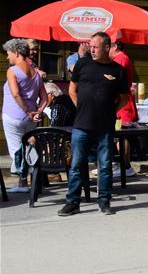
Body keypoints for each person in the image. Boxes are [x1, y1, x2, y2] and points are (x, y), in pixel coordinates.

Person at [58, 31, 129, 216]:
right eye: (91, 46)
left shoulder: (118, 71)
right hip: (81, 124)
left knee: (105, 166)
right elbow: (73, 90)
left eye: (96, 47)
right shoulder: (83, 64)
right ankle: (73, 202)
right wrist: (81, 107)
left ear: (107, 47)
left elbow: (123, 98)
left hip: (105, 126)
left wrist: (110, 111)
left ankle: (104, 200)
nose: (92, 49)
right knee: (76, 165)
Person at [2, 38, 47, 191]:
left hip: (14, 115)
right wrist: (37, 112)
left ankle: (23, 182)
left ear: (16, 52)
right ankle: (29, 180)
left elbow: (15, 94)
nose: (7, 57)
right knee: (28, 146)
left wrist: (27, 112)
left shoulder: (12, 70)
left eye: (8, 54)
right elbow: (45, 98)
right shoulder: (36, 72)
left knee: (17, 149)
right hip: (31, 118)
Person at [110, 41, 138, 177]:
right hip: (122, 100)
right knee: (120, 134)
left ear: (115, 46)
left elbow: (115, 80)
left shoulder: (120, 59)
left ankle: (125, 166)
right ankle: (123, 165)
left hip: (122, 102)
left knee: (122, 134)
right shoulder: (121, 58)